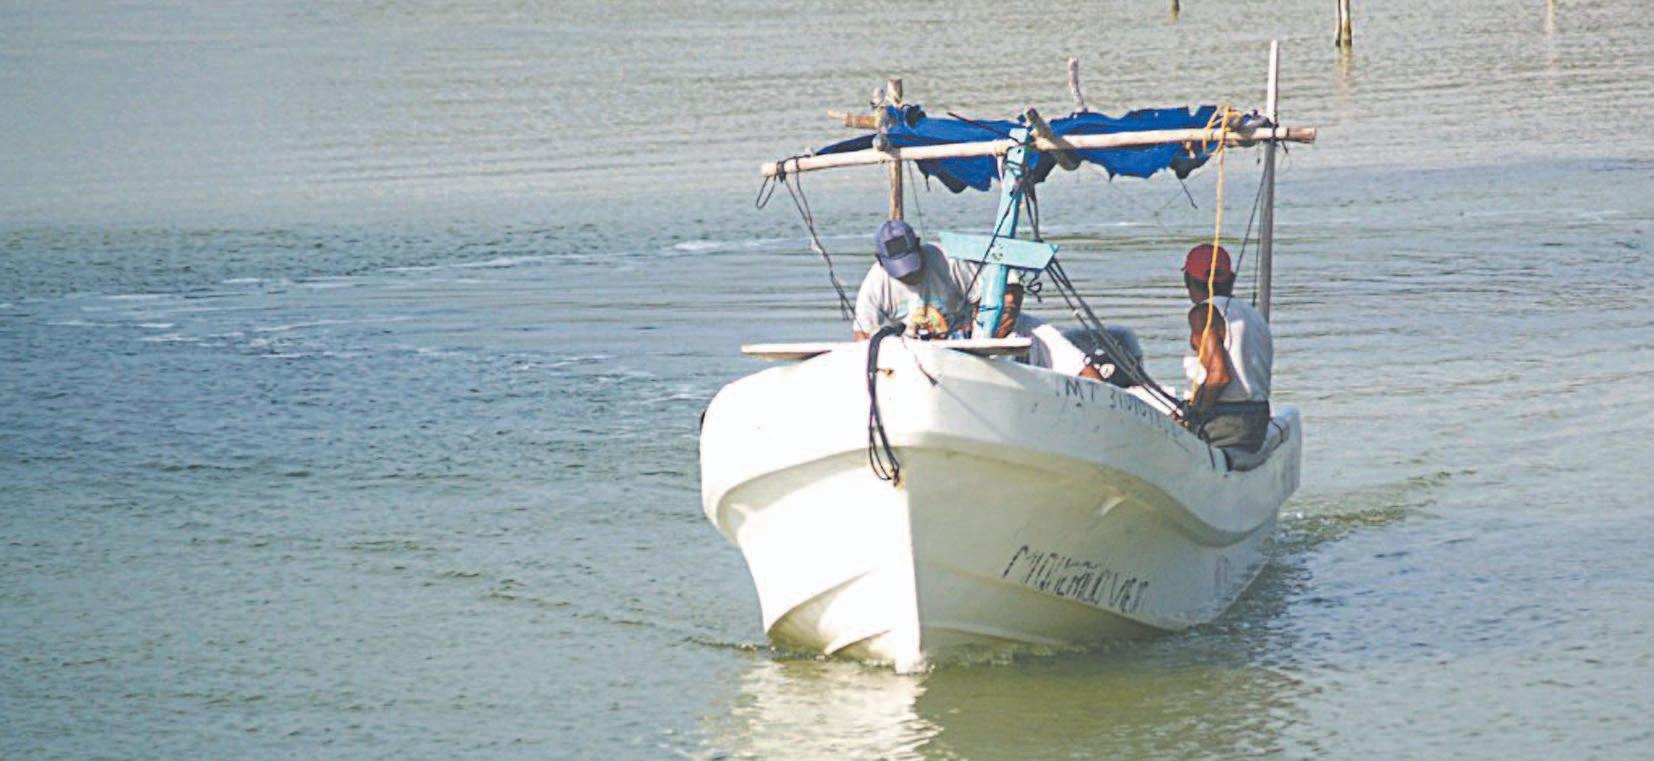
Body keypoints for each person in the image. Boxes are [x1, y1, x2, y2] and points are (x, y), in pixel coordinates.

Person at [1181, 243, 1273, 451]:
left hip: (1224, 421)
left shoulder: (1203, 314)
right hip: (1257, 420)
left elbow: (1219, 377)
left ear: (1188, 280)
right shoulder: (1253, 315)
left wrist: (1192, 415)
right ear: (1231, 280)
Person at [853, 220, 976, 340]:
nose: (908, 275)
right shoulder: (874, 284)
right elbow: (863, 332)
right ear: (881, 261)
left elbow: (981, 298)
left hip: (962, 340)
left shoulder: (950, 261)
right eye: (899, 273)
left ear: (918, 245)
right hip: (907, 346)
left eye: (912, 268)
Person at [988, 271, 1105, 381]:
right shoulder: (975, 328)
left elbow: (1081, 369)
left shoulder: (1036, 329)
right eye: (1004, 291)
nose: (1012, 299)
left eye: (1016, 292)